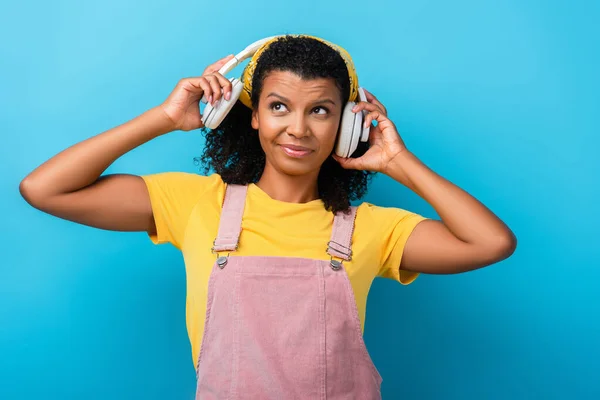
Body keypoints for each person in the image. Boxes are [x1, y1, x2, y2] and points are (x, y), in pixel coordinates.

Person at [19, 34, 516, 398]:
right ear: (252, 114)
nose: (297, 129)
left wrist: (396, 160)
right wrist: (165, 118)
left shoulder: (374, 229)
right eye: (279, 106)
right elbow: (44, 188)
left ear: (346, 125)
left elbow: (491, 242)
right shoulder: (195, 204)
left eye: (320, 111)